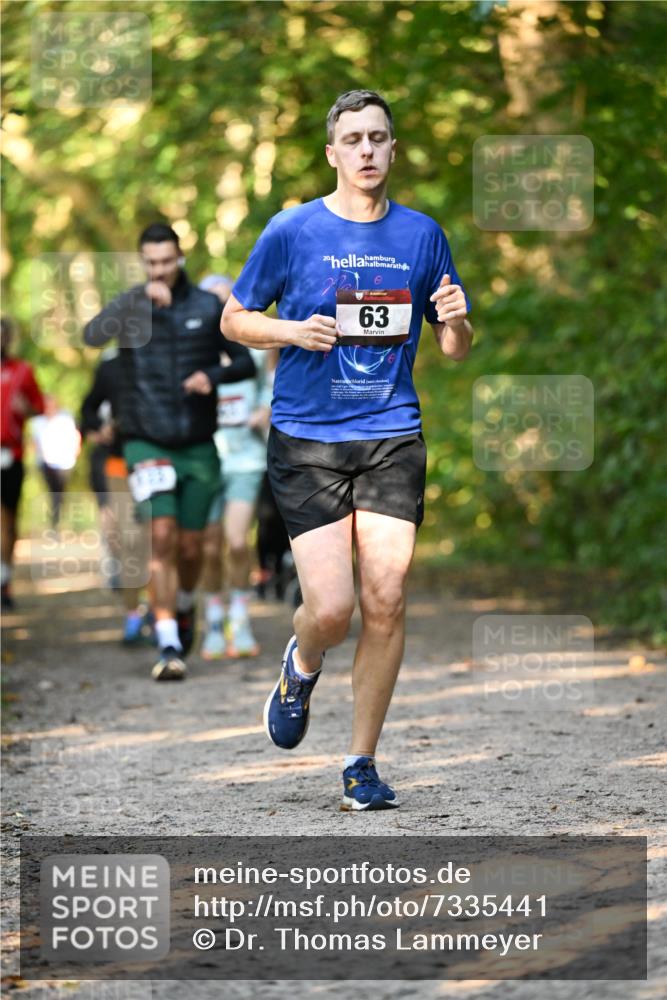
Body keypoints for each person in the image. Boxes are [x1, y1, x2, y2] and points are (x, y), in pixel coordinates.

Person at [222, 90, 472, 810]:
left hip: (391, 433)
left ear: (393, 149)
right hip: (308, 439)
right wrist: (291, 332)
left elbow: (453, 347)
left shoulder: (422, 235)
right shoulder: (292, 230)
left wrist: (457, 321)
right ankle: (302, 663)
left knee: (385, 597)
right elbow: (235, 319)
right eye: (354, 139)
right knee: (331, 611)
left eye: (378, 138)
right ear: (332, 153)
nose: (367, 150)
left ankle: (361, 763)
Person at [84, 223, 255, 681]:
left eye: (166, 261)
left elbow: (244, 362)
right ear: (143, 263)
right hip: (146, 441)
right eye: (151, 263)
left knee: (192, 547)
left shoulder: (207, 306)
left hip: (198, 445)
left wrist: (211, 377)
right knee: (161, 535)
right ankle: (167, 642)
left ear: (180, 258)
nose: (159, 270)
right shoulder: (130, 307)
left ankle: (182, 606)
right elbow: (91, 335)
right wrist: (133, 300)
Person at [197, 275, 273, 660]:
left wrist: (264, 409)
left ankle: (240, 621)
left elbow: (272, 385)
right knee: (209, 548)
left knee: (238, 540)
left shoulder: (253, 349)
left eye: (224, 300)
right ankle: (214, 621)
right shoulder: (194, 352)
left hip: (246, 457)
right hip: (206, 456)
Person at [80, 348, 152, 644]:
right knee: (130, 540)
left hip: (160, 460)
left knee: (158, 541)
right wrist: (98, 429)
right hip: (119, 464)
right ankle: (133, 614)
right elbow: (87, 409)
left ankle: (164, 613)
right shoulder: (110, 366)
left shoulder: (165, 357)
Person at [1, 316, 45, 609]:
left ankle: (4, 579)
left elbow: (39, 408)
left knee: (8, 518)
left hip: (10, 455)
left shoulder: (22, 371)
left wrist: (25, 408)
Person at [31, 396, 81, 530]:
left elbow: (75, 435)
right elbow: (35, 442)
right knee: (54, 492)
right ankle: (55, 523)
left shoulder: (65, 417)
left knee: (60, 493)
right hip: (46, 463)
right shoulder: (38, 421)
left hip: (65, 462)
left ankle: (57, 522)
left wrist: (75, 450)